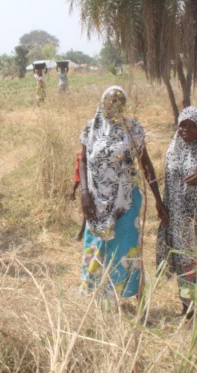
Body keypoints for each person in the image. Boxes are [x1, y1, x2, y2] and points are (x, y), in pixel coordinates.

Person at [79, 86, 168, 299]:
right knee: (97, 245)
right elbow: (82, 161)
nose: (114, 106)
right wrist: (84, 193)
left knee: (126, 246)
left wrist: (157, 199)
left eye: (119, 102)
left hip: (126, 201)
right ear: (103, 103)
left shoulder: (133, 129)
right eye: (110, 102)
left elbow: (145, 164)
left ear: (124, 105)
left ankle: (123, 293)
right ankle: (95, 293)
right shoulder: (91, 129)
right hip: (96, 201)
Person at [157, 106, 197, 319]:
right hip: (179, 218)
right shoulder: (173, 149)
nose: (186, 130)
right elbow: (168, 183)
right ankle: (187, 305)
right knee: (184, 262)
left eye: (192, 126)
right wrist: (163, 207)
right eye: (183, 125)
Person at [71, 150, 85, 241]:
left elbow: (78, 173)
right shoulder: (81, 156)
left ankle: (81, 235)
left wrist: (73, 190)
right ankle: (81, 234)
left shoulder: (82, 157)